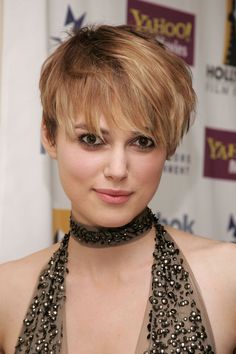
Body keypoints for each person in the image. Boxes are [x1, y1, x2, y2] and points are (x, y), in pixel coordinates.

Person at [0, 24, 235, 354]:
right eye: (92, 139)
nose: (118, 169)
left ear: (167, 147)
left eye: (142, 141)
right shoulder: (7, 292)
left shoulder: (228, 277)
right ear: (49, 136)